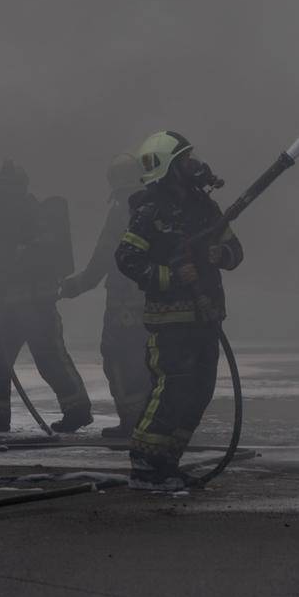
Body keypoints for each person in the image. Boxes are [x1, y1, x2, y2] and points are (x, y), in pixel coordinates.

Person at [114, 131, 243, 491]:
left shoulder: (206, 208)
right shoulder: (150, 209)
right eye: (185, 160)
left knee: (199, 391)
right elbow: (127, 258)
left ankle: (167, 461)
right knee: (171, 388)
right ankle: (144, 462)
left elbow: (236, 250)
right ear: (168, 167)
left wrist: (222, 254)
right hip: (169, 320)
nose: (194, 165)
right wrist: (169, 276)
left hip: (206, 317)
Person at [0, 160, 93, 432]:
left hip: (35, 306)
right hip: (7, 308)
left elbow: (28, 263)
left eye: (2, 189)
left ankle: (78, 410)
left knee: (50, 359)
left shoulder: (36, 219)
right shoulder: (2, 223)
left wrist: (13, 261)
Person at [58, 152, 149, 438]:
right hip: (155, 302)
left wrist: (76, 285)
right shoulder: (159, 207)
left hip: (125, 303)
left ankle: (131, 423)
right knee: (149, 362)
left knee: (119, 359)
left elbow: (105, 256)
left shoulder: (123, 209)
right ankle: (151, 420)